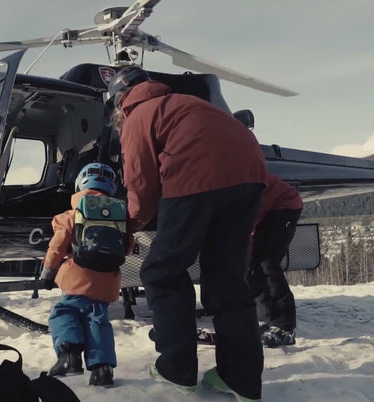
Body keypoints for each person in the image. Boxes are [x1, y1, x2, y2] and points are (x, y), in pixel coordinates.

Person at [107, 66, 267, 401]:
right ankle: (240, 378)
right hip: (252, 175)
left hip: (196, 176)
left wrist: (131, 225)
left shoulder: (137, 115)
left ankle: (176, 368)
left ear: (120, 101)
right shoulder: (186, 103)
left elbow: (139, 182)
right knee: (227, 278)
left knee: (161, 271)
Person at [39, 162, 123, 387]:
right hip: (107, 281)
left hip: (78, 278)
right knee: (98, 321)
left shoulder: (72, 214)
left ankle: (69, 356)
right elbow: (126, 245)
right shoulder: (120, 215)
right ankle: (102, 369)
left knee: (64, 313)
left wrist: (48, 272)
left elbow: (57, 246)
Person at [247, 172, 304, 348]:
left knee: (266, 263)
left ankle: (285, 328)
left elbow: (246, 223)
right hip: (266, 209)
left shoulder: (234, 183)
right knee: (254, 266)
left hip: (284, 205)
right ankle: (265, 318)